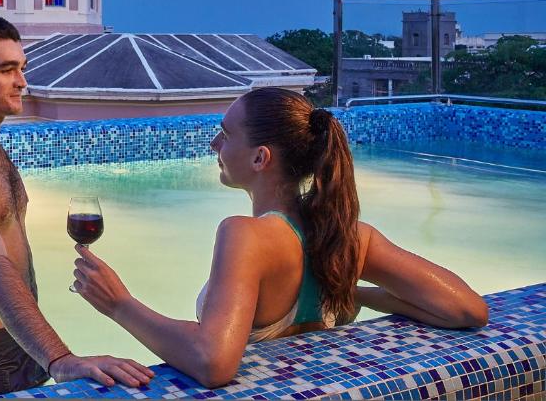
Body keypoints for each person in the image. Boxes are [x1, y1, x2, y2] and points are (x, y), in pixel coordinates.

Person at [71, 87, 488, 389]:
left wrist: (120, 305)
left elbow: (213, 361)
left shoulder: (245, 235)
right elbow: (468, 309)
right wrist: (355, 292)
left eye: (226, 134)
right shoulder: (351, 239)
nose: (215, 143)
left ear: (260, 157)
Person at [0, 15, 154, 397]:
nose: (22, 81)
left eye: (22, 68)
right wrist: (60, 359)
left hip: (23, 339)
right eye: (7, 69)